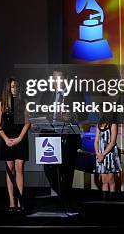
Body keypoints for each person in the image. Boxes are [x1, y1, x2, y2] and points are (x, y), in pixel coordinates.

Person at [39, 68, 84, 212]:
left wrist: (71, 116)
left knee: (66, 171)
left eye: (58, 78)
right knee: (48, 168)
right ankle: (66, 199)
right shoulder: (47, 94)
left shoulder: (75, 94)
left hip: (68, 136)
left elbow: (84, 114)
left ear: (65, 79)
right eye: (53, 78)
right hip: (49, 135)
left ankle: (66, 202)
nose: (55, 81)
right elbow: (40, 111)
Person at [0, 77, 30, 212]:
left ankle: (21, 201)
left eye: (16, 87)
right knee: (10, 170)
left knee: (19, 168)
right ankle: (12, 202)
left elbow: (28, 122)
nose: (14, 89)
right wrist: (5, 139)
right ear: (8, 88)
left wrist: (20, 138)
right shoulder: (2, 104)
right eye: (12, 87)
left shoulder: (24, 102)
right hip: (7, 139)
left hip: (20, 138)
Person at [94, 111, 122, 200]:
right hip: (100, 155)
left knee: (110, 179)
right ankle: (104, 202)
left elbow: (112, 142)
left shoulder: (113, 124)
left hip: (110, 155)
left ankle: (112, 202)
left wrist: (103, 154)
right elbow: (96, 141)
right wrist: (98, 153)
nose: (99, 113)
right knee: (103, 180)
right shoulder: (99, 124)